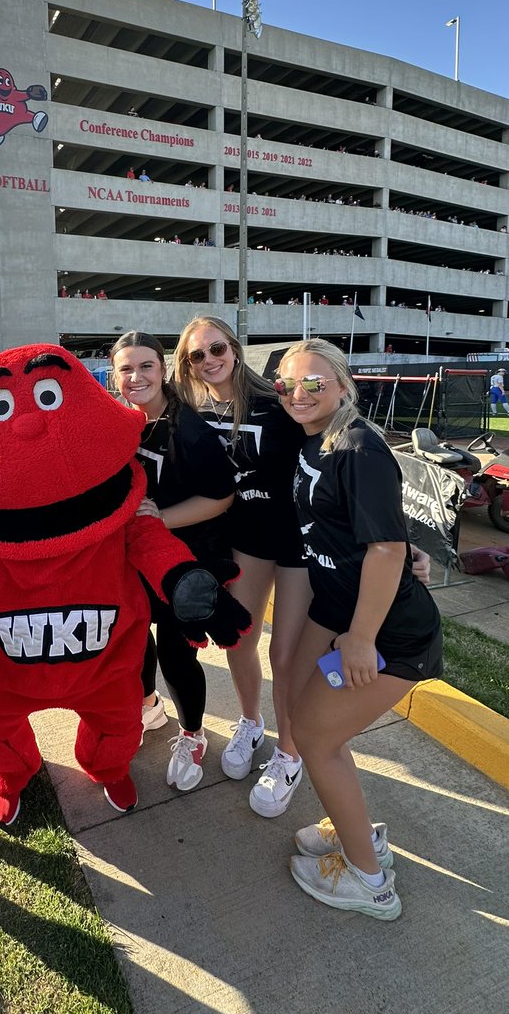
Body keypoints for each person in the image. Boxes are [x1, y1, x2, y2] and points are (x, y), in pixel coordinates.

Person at [276, 339, 442, 919]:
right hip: (338, 609)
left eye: (313, 382)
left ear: (344, 386)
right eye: (287, 384)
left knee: (317, 738)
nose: (298, 392)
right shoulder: (314, 439)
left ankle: (370, 883)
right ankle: (356, 832)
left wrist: (362, 638)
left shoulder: (357, 447)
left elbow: (385, 547)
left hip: (389, 633)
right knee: (305, 718)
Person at [173, 317, 310, 817]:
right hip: (246, 539)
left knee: (287, 653)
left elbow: (335, 446)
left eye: (216, 348)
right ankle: (251, 722)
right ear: (185, 364)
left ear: (233, 347)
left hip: (296, 540)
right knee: (241, 638)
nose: (209, 360)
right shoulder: (191, 411)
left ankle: (289, 752)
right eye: (196, 355)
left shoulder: (278, 402)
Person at [109, 331, 236, 791]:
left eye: (146, 366)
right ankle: (148, 706)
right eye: (126, 368)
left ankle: (193, 733)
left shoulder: (190, 431)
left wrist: (162, 516)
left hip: (183, 559)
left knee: (176, 651)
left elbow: (222, 497)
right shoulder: (119, 421)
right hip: (133, 557)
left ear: (163, 370)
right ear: (114, 375)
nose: (136, 376)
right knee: (134, 634)